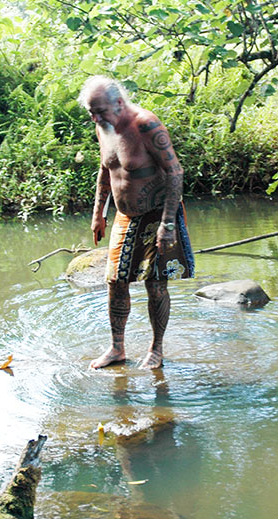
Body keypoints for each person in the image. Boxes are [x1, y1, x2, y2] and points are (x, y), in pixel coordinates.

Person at [78, 76, 195, 370]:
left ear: (119, 103)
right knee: (115, 282)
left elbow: (175, 173)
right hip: (125, 216)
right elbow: (105, 171)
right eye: (92, 112)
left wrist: (168, 224)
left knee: (155, 285)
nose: (96, 117)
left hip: (158, 214)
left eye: (100, 110)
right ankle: (117, 348)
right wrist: (98, 214)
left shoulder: (146, 125)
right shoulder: (102, 126)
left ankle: (156, 349)